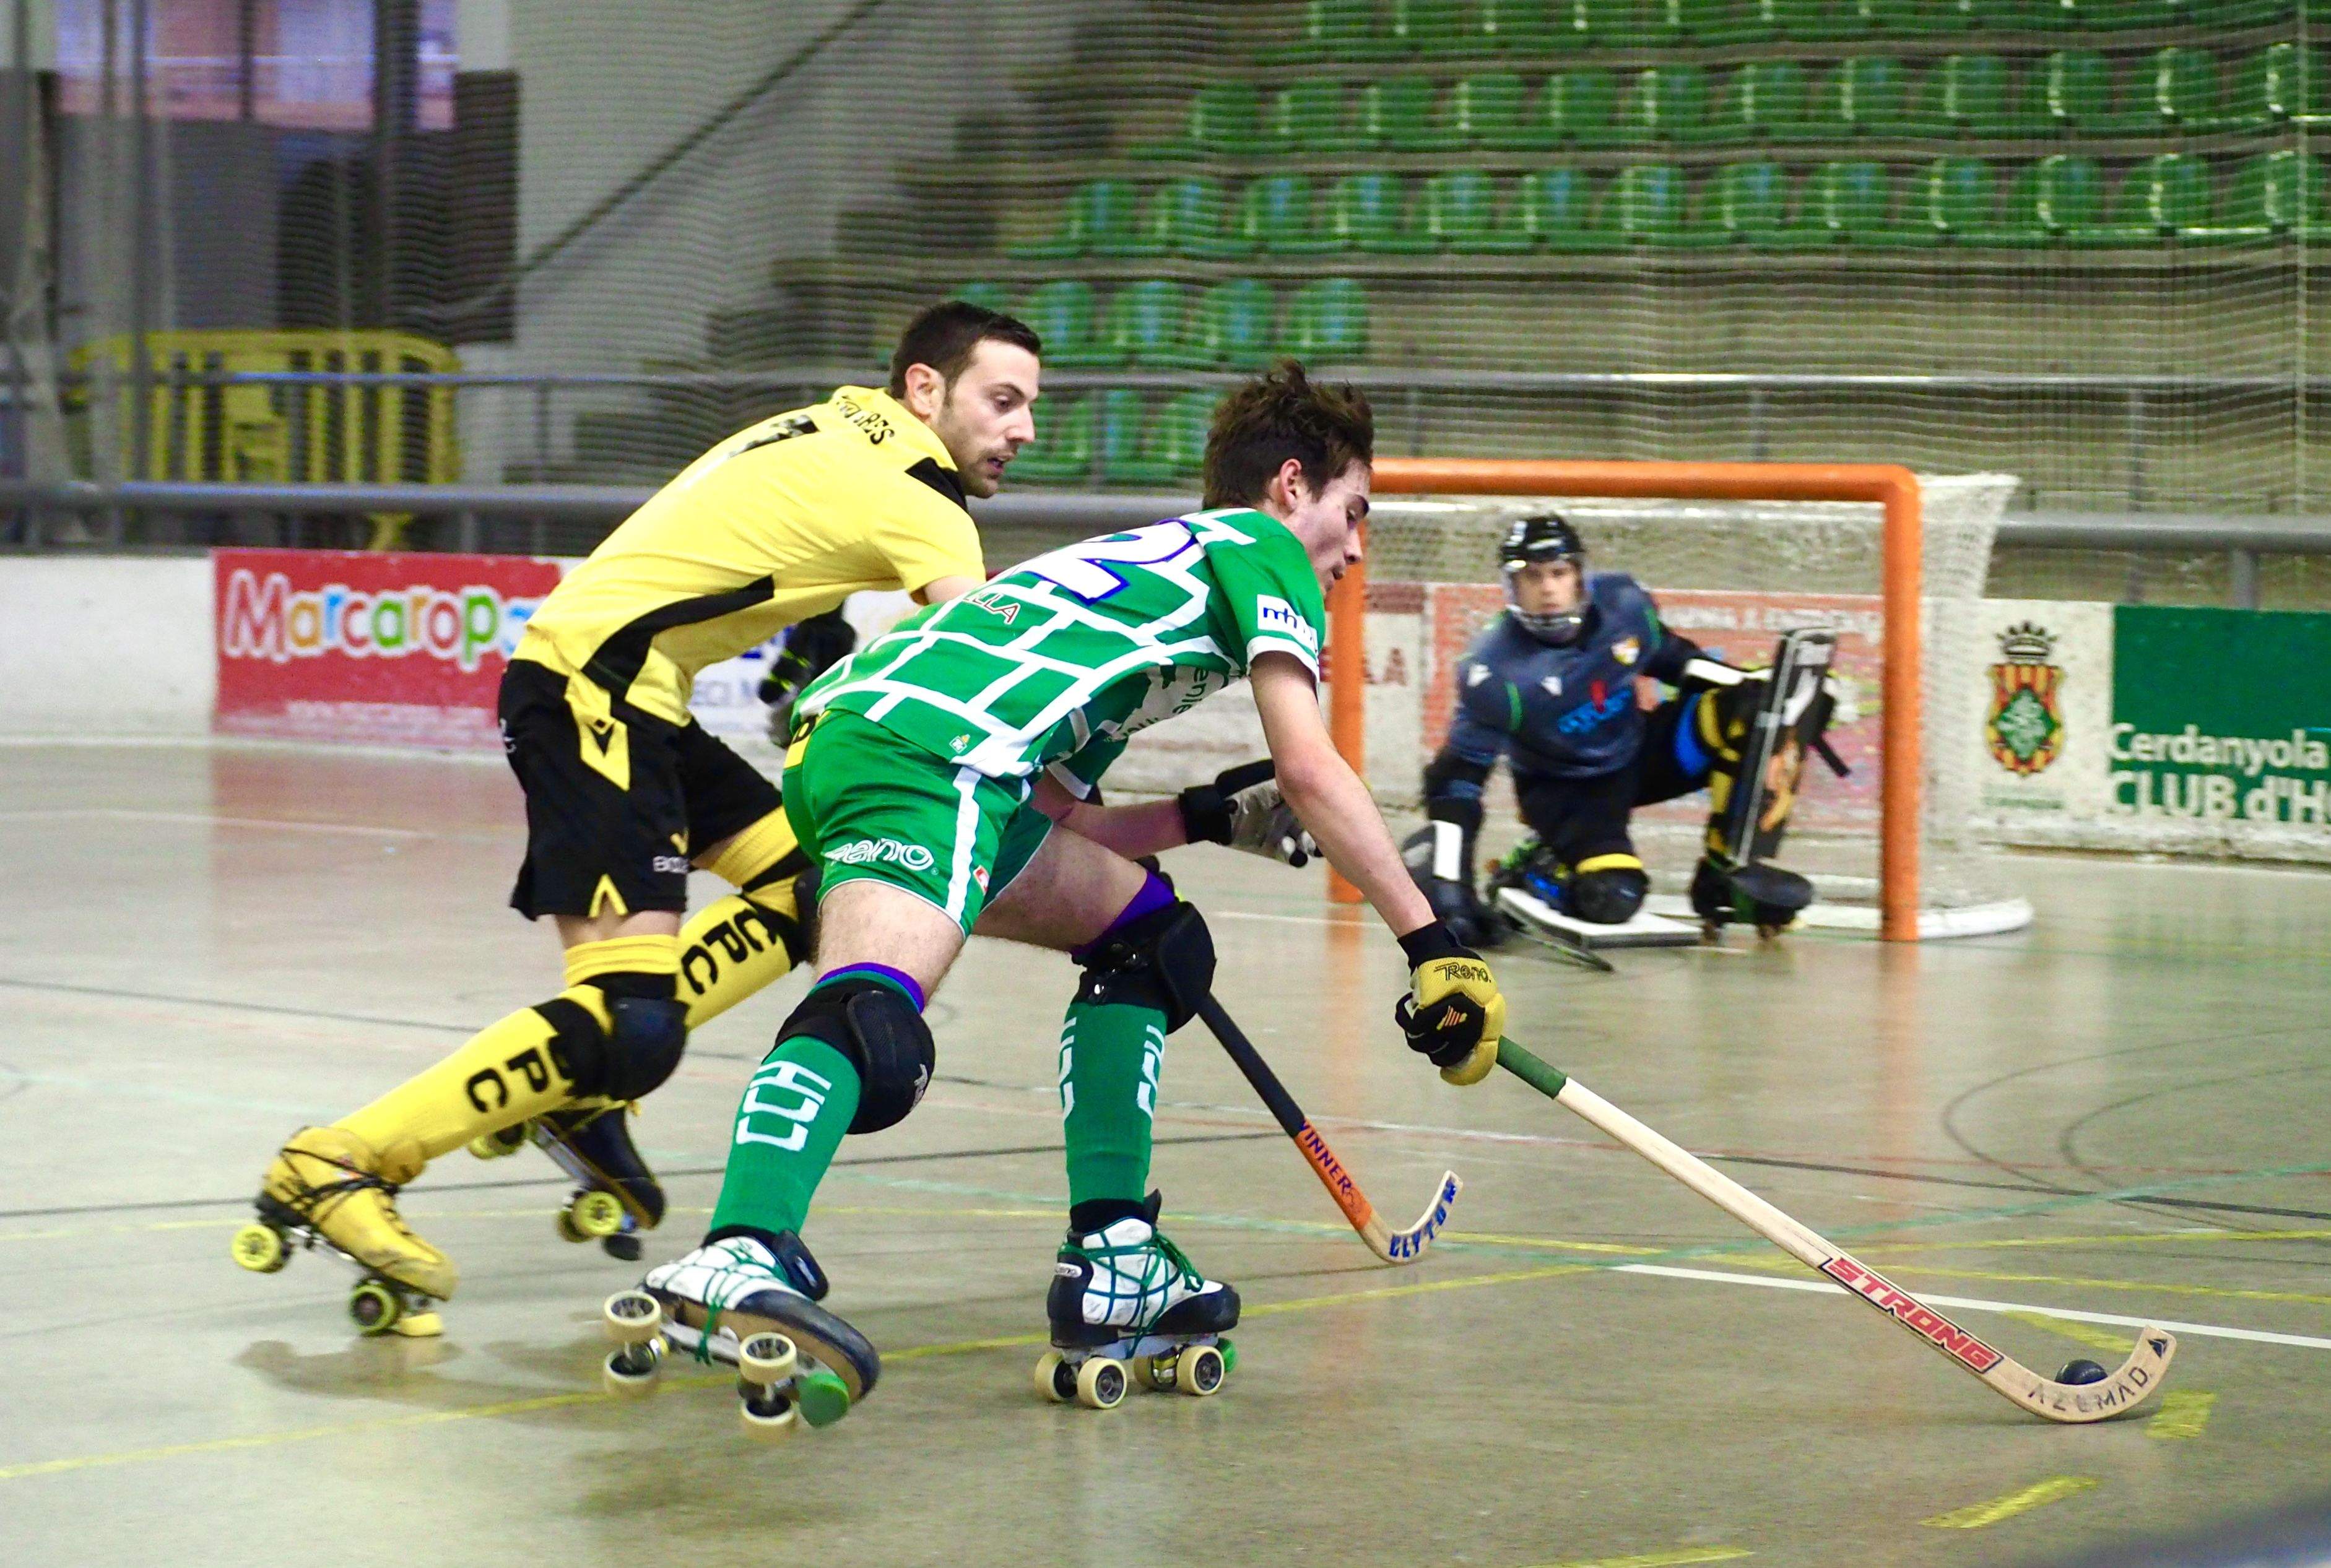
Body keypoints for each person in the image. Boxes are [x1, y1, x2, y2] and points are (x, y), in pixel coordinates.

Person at [619, 363, 1508, 1417]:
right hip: (926, 752)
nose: (1356, 550)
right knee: (872, 1019)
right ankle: (737, 1254)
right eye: (1352, 513)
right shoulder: (1259, 547)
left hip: (877, 741)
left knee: (1148, 932)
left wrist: (1205, 817)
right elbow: (1313, 768)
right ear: (1287, 488)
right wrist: (1431, 941)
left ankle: (1116, 1247)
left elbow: (1051, 826)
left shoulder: (1148, 576)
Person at [235, 301, 1041, 1334]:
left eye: (1030, 408)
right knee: (630, 1018)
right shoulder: (925, 500)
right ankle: (338, 1161)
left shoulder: (842, 421)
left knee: (820, 882)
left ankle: (585, 1092)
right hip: (593, 690)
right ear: (926, 390)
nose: (1023, 430)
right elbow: (985, 656)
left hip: (639, 693)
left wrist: (825, 623)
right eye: (1003, 401)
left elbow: (777, 522)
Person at [1410, 513, 1826, 946]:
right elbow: (1455, 784)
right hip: (1566, 791)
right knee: (1613, 898)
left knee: (1751, 712)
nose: (1548, 589)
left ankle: (1723, 880)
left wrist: (1762, 690)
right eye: (1532, 576)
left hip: (1639, 750)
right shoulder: (1494, 669)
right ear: (1511, 586)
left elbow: (1673, 658)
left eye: (1558, 572)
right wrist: (1451, 893)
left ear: (1578, 575)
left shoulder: (1622, 604)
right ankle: (1534, 869)